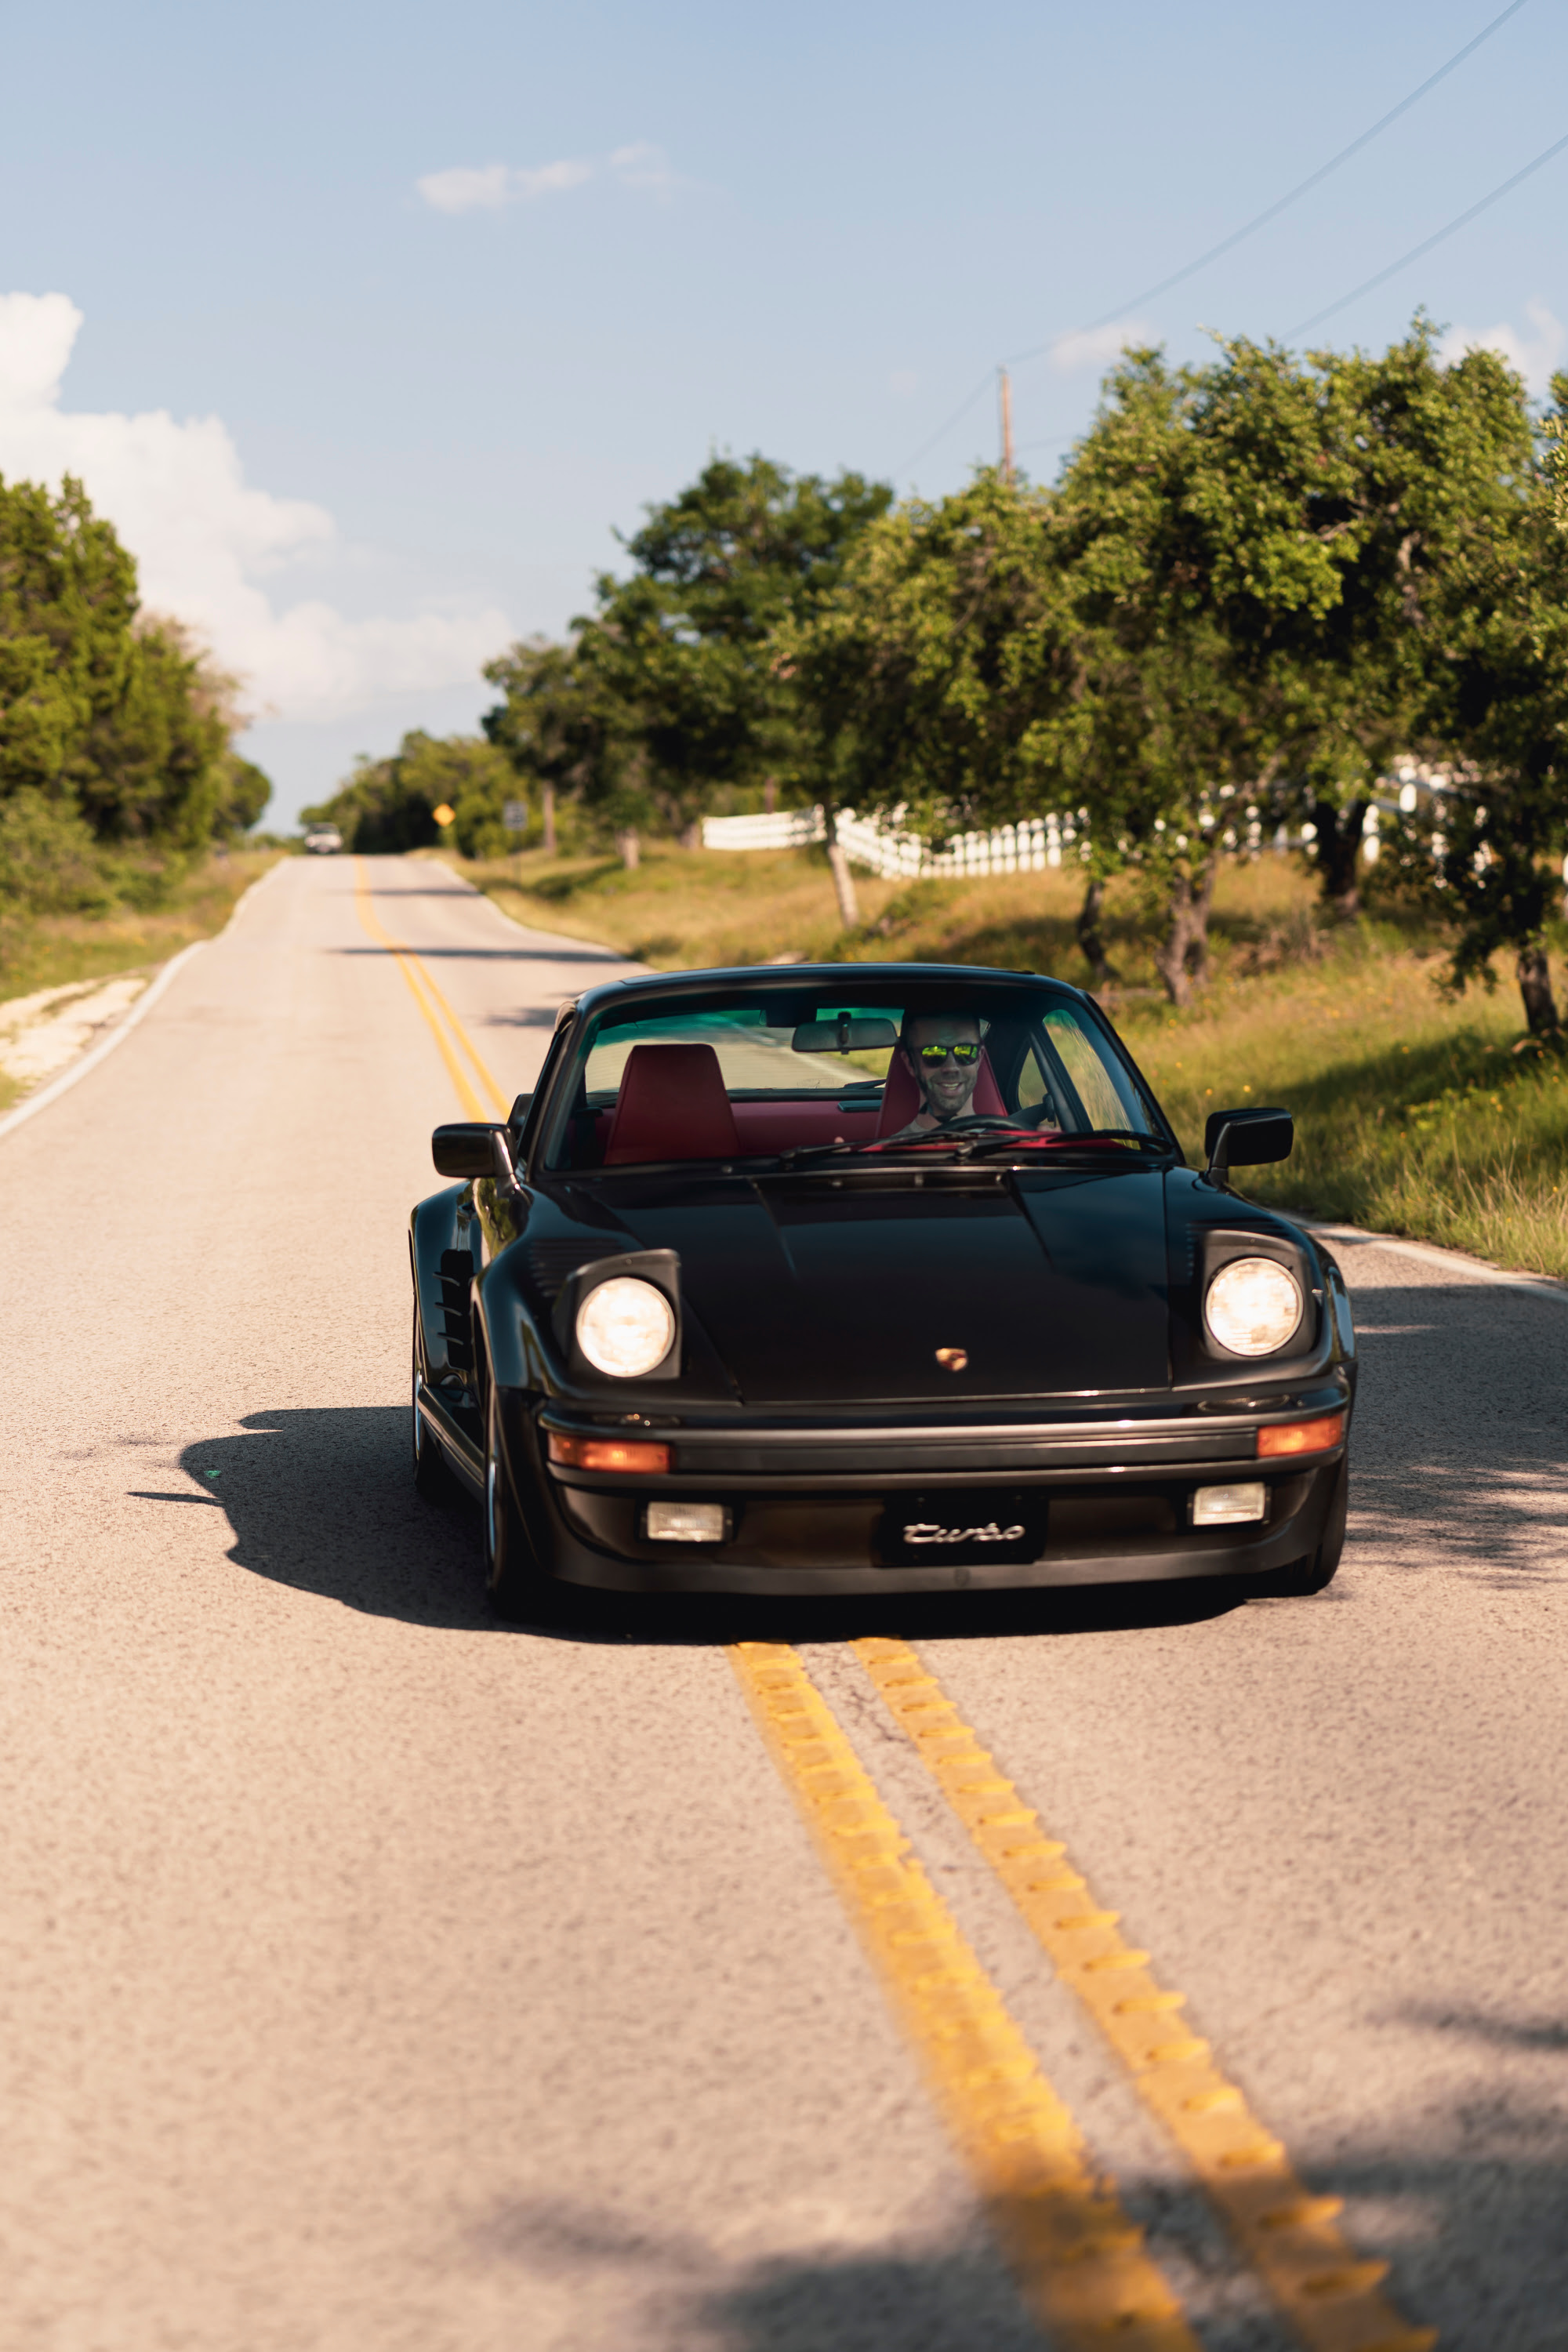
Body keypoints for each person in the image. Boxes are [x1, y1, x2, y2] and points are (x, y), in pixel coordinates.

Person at [895, 1012, 986, 1132]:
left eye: (965, 1051)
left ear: (979, 1058)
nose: (951, 1067)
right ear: (910, 1063)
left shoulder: (1011, 1146)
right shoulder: (885, 1151)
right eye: (933, 1053)